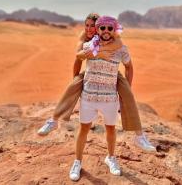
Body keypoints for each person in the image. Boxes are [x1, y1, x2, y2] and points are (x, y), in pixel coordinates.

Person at [37, 13, 156, 153]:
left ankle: (139, 136)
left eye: (92, 26)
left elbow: (118, 45)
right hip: (90, 72)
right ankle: (54, 120)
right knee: (72, 88)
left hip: (112, 73)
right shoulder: (84, 38)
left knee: (128, 95)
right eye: (87, 25)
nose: (89, 29)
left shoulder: (112, 36)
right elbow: (78, 58)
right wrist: (76, 79)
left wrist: (101, 50)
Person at [69, 16, 135, 180]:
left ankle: (111, 158)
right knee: (84, 128)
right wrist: (76, 83)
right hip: (89, 96)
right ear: (97, 30)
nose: (106, 31)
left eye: (109, 28)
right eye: (102, 28)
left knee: (111, 128)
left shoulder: (121, 49)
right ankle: (77, 162)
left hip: (110, 98)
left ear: (114, 30)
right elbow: (77, 60)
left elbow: (129, 67)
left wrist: (126, 90)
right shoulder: (88, 47)